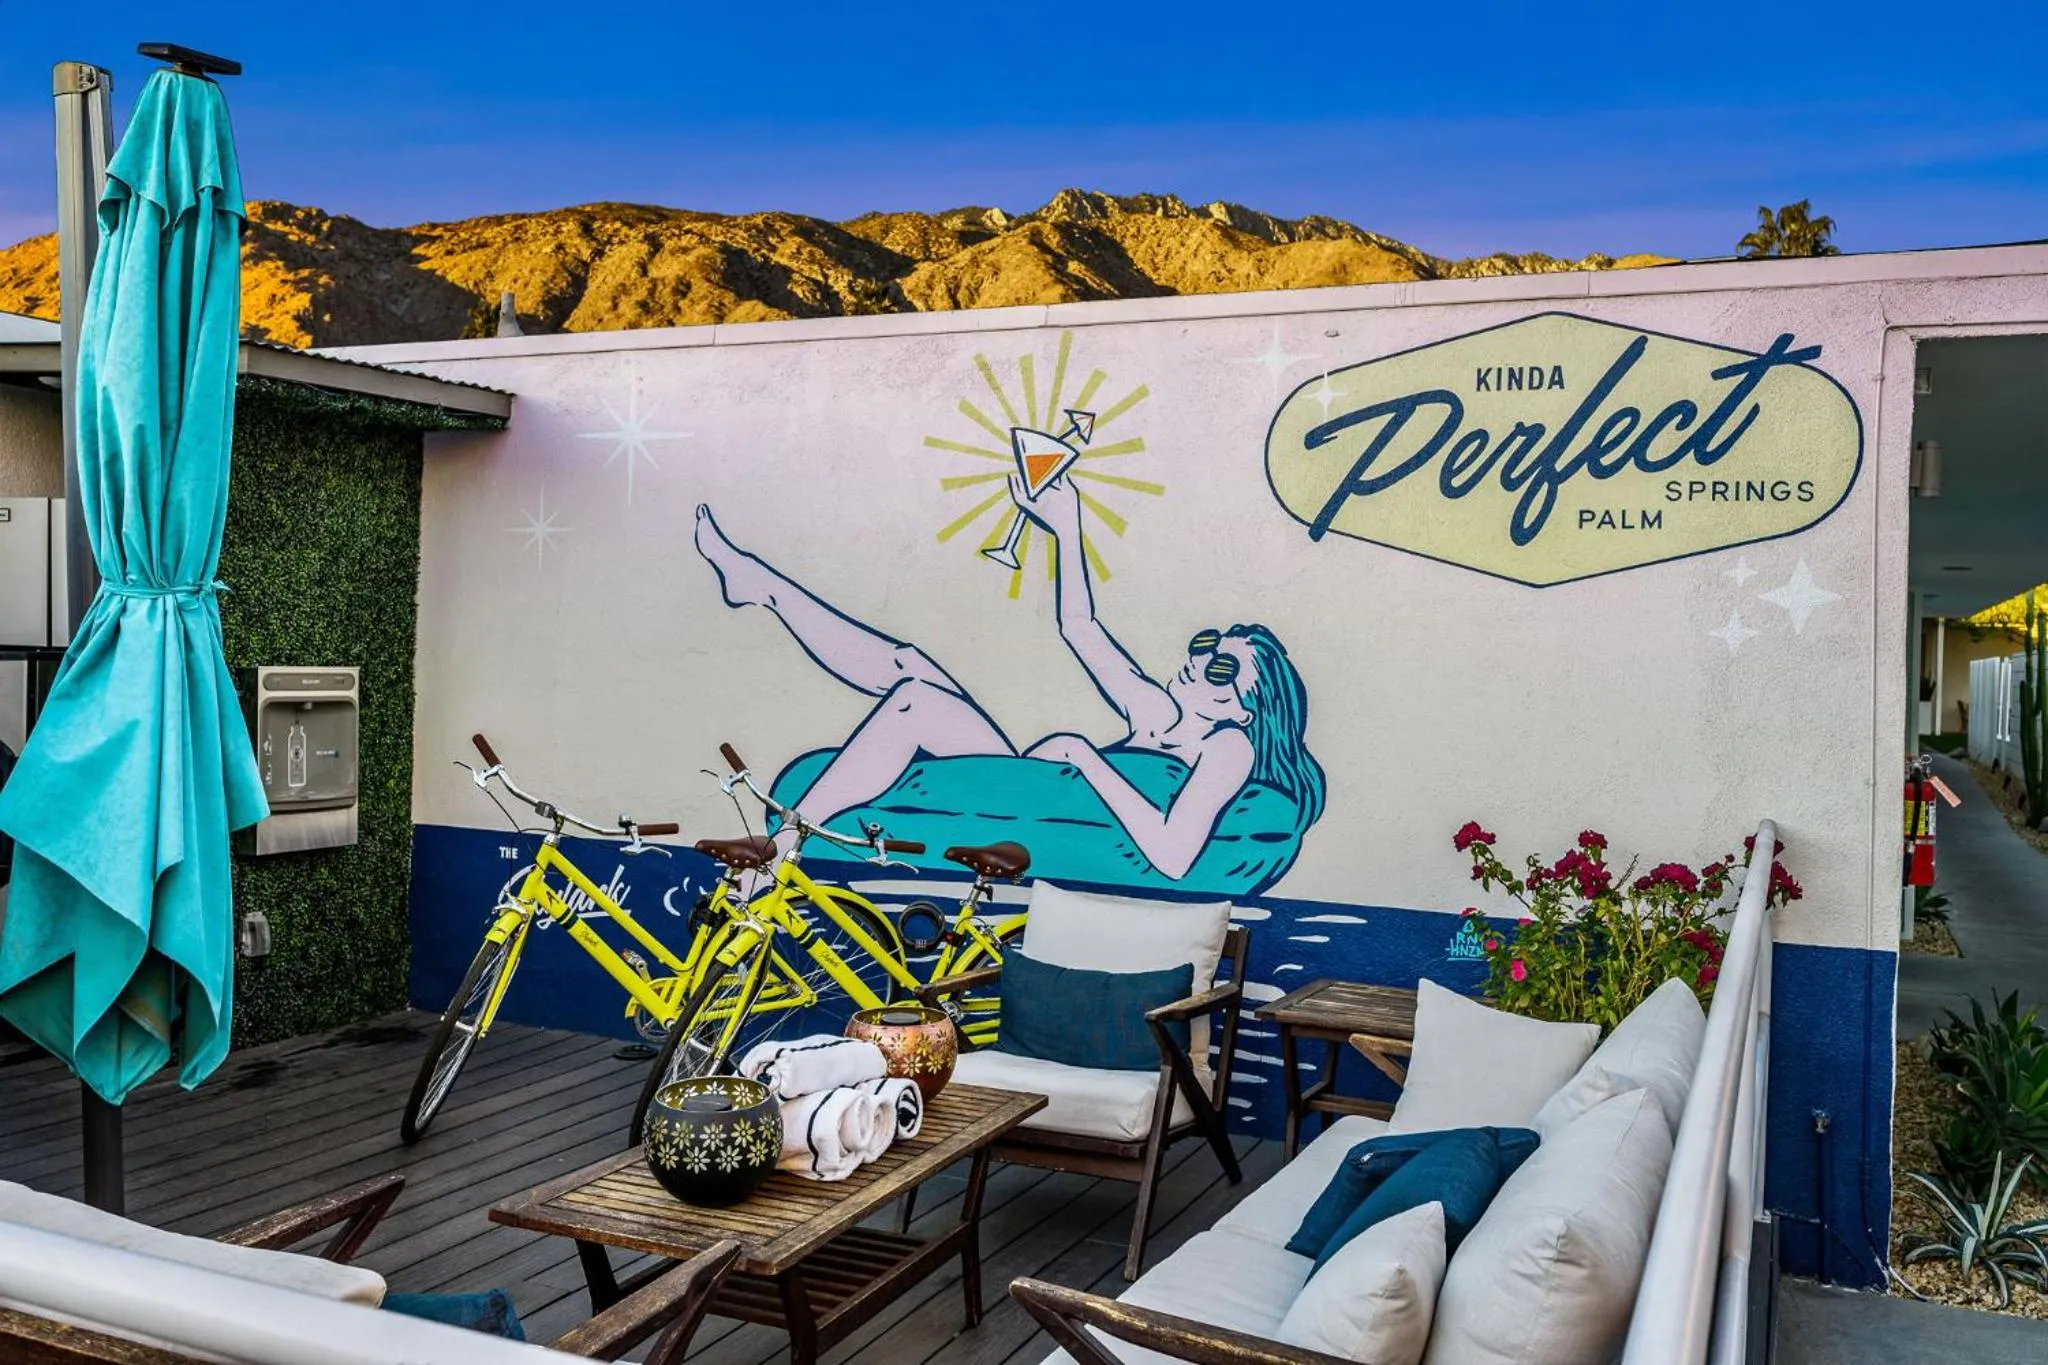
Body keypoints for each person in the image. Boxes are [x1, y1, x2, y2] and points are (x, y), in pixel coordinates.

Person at [692, 474, 1324, 880]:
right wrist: (1066, 525)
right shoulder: (1160, 713)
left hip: (1024, 795)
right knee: (911, 664)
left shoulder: (1227, 747)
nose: (1198, 658)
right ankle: (761, 586)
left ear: (1246, 704)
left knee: (914, 699)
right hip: (1021, 780)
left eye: (1221, 664)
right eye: (1204, 644)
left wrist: (1086, 758)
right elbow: (1080, 626)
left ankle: (782, 848)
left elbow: (1174, 855)